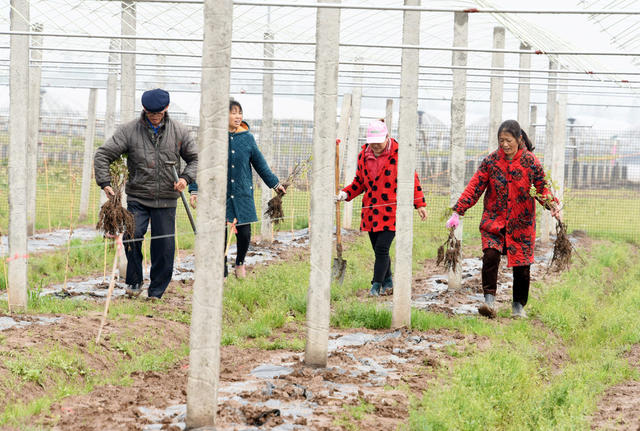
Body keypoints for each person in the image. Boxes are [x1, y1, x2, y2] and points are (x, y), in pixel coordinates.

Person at [447, 119, 561, 318]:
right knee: (490, 256)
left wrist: (552, 205)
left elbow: (542, 188)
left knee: (522, 267)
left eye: (508, 140)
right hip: (494, 221)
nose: (505, 145)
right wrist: (458, 210)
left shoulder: (530, 162)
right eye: (501, 141)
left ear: (519, 139)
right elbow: (475, 186)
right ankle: (489, 301)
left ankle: (518, 306)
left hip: (522, 224)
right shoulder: (491, 161)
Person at [94, 88, 198, 300]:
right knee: (132, 237)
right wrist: (105, 183)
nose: (154, 116)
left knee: (164, 246)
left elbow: (195, 159)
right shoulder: (129, 131)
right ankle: (133, 282)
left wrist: (185, 179)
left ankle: (156, 291)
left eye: (158, 112)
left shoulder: (179, 131)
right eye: (150, 112)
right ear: (144, 109)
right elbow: (103, 154)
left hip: (167, 198)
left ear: (166, 108)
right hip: (138, 197)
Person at [189, 100, 286, 278]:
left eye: (239, 113)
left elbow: (260, 164)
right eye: (233, 112)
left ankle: (240, 263)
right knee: (220, 234)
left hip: (242, 194)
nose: (237, 116)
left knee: (244, 233)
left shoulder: (247, 138)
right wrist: (194, 189)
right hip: (219, 194)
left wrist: (275, 183)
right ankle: (222, 268)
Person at [336, 119, 427, 296]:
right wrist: (345, 194)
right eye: (372, 142)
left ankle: (375, 285)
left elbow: (412, 180)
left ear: (387, 137)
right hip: (371, 211)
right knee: (378, 250)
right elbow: (359, 183)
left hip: (392, 211)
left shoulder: (399, 155)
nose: (376, 146)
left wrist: (420, 204)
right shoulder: (364, 155)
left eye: (379, 142)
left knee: (382, 249)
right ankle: (388, 282)